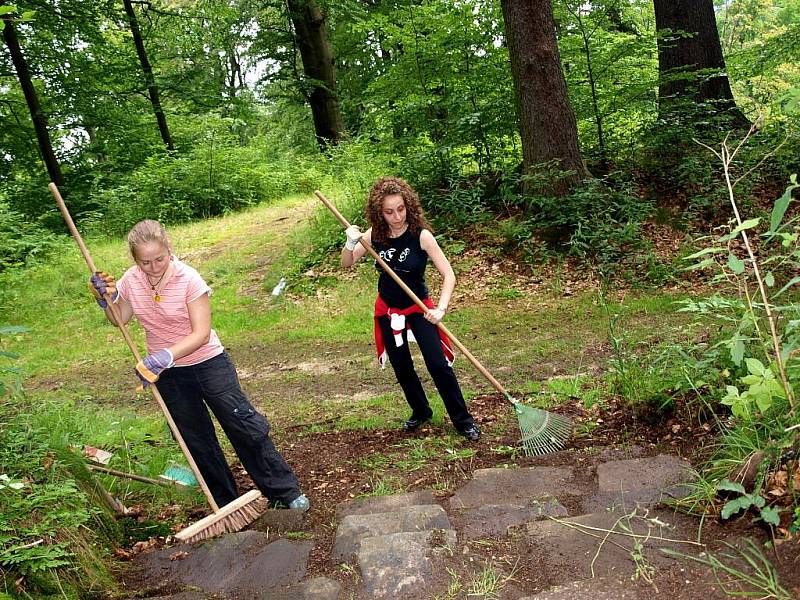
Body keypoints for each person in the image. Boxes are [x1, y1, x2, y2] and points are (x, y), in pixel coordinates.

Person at [89, 219, 309, 511]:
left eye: (159, 259)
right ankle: (226, 502)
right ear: (134, 260)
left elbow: (201, 333)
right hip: (168, 374)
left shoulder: (188, 279)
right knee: (195, 439)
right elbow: (120, 319)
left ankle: (284, 491)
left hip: (208, 363)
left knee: (243, 425)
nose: (154, 267)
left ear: (169, 250)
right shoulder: (131, 279)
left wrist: (165, 355)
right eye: (146, 262)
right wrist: (105, 299)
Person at [341, 176, 481, 442]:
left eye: (401, 209)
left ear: (409, 206)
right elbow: (347, 263)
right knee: (402, 366)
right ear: (379, 213)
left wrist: (440, 308)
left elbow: (449, 274)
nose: (396, 216)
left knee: (438, 365)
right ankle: (421, 410)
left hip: (419, 309)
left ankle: (463, 420)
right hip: (388, 310)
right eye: (389, 212)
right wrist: (350, 243)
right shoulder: (374, 236)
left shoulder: (421, 236)